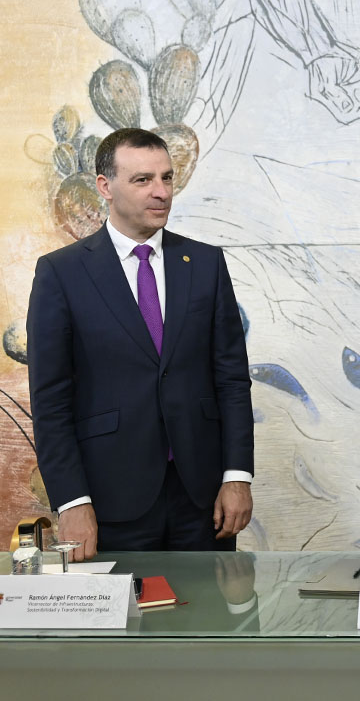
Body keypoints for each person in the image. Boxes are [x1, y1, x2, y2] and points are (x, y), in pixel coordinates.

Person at [28, 128, 254, 559]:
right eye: (143, 180)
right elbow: (51, 399)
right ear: (105, 186)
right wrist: (72, 501)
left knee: (208, 605)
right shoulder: (61, 273)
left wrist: (237, 476)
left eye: (167, 178)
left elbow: (232, 380)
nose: (161, 192)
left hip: (204, 499)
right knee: (126, 606)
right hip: (109, 499)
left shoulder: (206, 263)